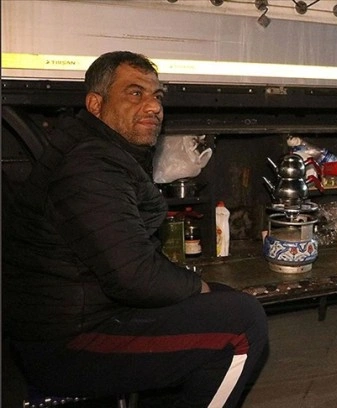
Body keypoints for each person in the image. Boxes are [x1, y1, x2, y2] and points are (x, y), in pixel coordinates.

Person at [2, 51, 268, 407]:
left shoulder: (102, 151)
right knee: (242, 324)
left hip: (92, 314)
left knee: (223, 300)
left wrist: (200, 290)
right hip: (66, 341)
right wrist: (197, 286)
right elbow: (134, 275)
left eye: (157, 96)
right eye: (135, 93)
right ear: (96, 105)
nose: (154, 106)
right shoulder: (88, 164)